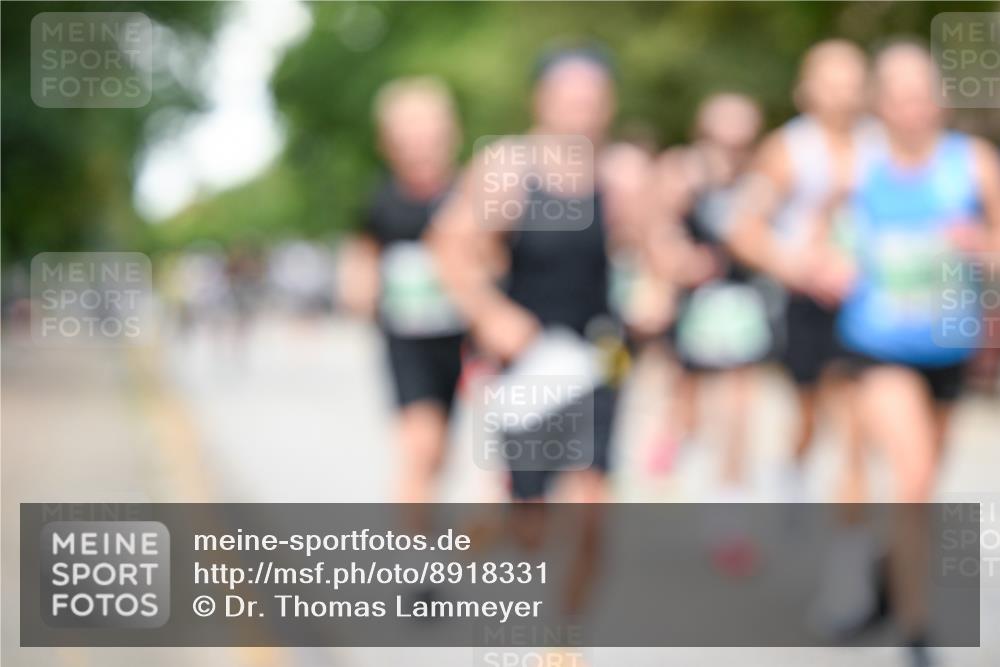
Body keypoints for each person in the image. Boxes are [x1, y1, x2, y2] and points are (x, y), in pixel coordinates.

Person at [816, 43, 1000, 665]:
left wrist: (982, 246)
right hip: (876, 347)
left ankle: (883, 583)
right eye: (899, 97)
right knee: (913, 478)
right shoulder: (856, 166)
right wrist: (826, 263)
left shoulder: (973, 162)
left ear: (940, 100)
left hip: (948, 347)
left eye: (923, 95)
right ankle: (917, 632)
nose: (913, 109)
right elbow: (817, 237)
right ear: (881, 105)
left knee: (922, 486)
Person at [429, 47, 621, 503]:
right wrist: (490, 314)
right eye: (571, 99)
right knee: (529, 505)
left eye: (592, 100)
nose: (583, 110)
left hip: (600, 346)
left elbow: (654, 247)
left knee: (591, 494)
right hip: (527, 353)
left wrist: (661, 284)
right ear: (542, 100)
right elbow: (448, 246)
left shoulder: (619, 172)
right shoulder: (508, 167)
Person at [727, 39, 875, 502]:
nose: (843, 94)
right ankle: (792, 476)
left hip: (869, 300)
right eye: (832, 84)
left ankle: (851, 530)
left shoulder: (881, 145)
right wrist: (798, 265)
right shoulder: (786, 148)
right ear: (807, 89)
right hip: (808, 301)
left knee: (855, 415)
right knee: (811, 413)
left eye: (852, 83)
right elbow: (744, 229)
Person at [339, 77, 465, 504]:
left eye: (430, 140)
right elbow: (362, 253)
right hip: (408, 341)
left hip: (464, 340)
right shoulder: (381, 201)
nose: (420, 151)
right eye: (408, 142)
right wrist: (359, 285)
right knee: (420, 445)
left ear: (451, 137)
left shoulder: (469, 195)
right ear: (388, 145)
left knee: (442, 453)